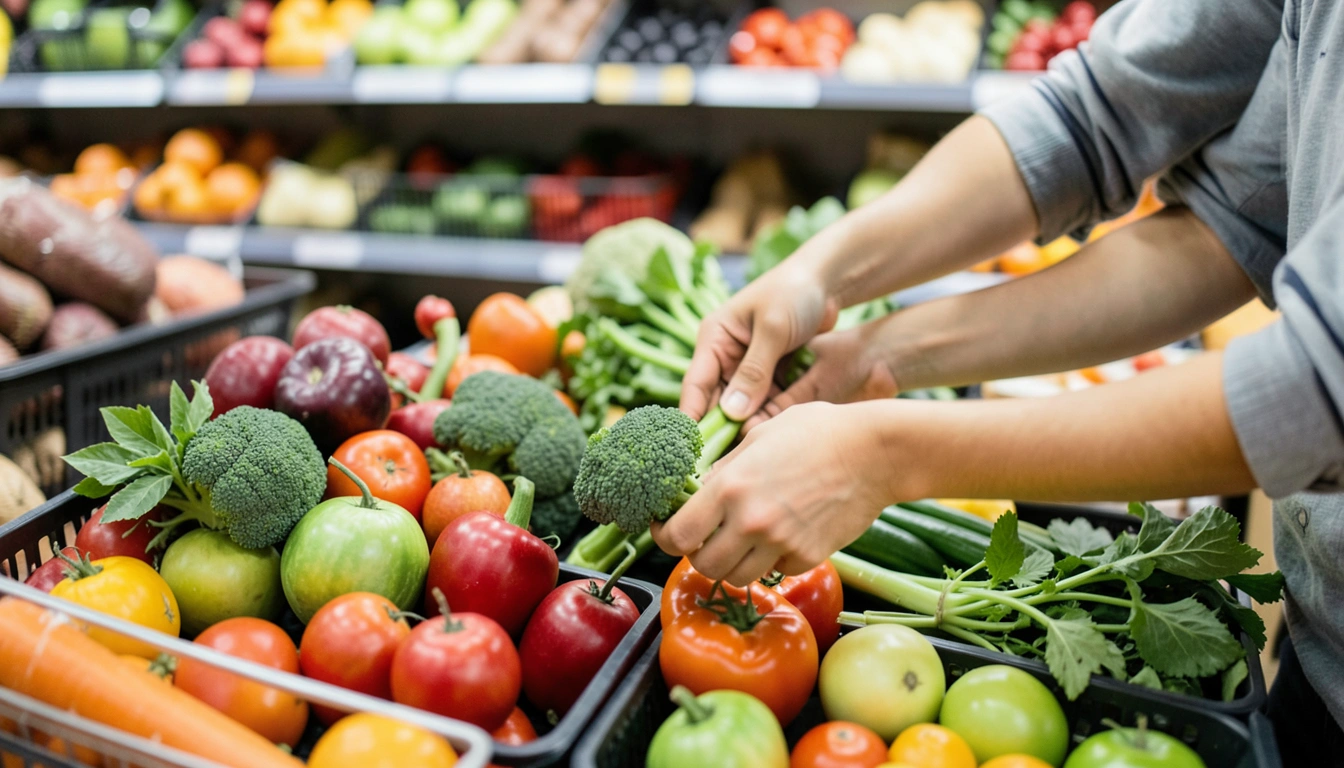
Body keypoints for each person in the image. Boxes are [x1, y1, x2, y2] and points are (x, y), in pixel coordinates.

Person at [647, 0, 1344, 758]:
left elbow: (1314, 386)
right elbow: (1196, 203)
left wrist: (886, 455)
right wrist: (838, 295)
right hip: (1319, 639)